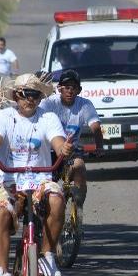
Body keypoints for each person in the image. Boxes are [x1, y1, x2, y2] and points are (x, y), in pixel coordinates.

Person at [0, 73, 73, 276]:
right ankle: (2, 271)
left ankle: (47, 256)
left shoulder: (48, 118)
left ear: (40, 97)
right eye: (23, 94)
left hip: (41, 179)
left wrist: (63, 149)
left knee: (57, 198)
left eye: (34, 94)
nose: (28, 99)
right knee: (1, 211)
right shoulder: (3, 116)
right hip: (11, 180)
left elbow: (58, 141)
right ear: (15, 96)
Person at [39, 69, 103, 208]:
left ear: (79, 90)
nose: (70, 91)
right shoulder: (48, 103)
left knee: (79, 167)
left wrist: (99, 146)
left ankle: (78, 208)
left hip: (71, 152)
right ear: (59, 89)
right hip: (48, 152)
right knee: (44, 188)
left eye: (73, 88)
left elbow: (96, 127)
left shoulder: (84, 105)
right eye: (66, 87)